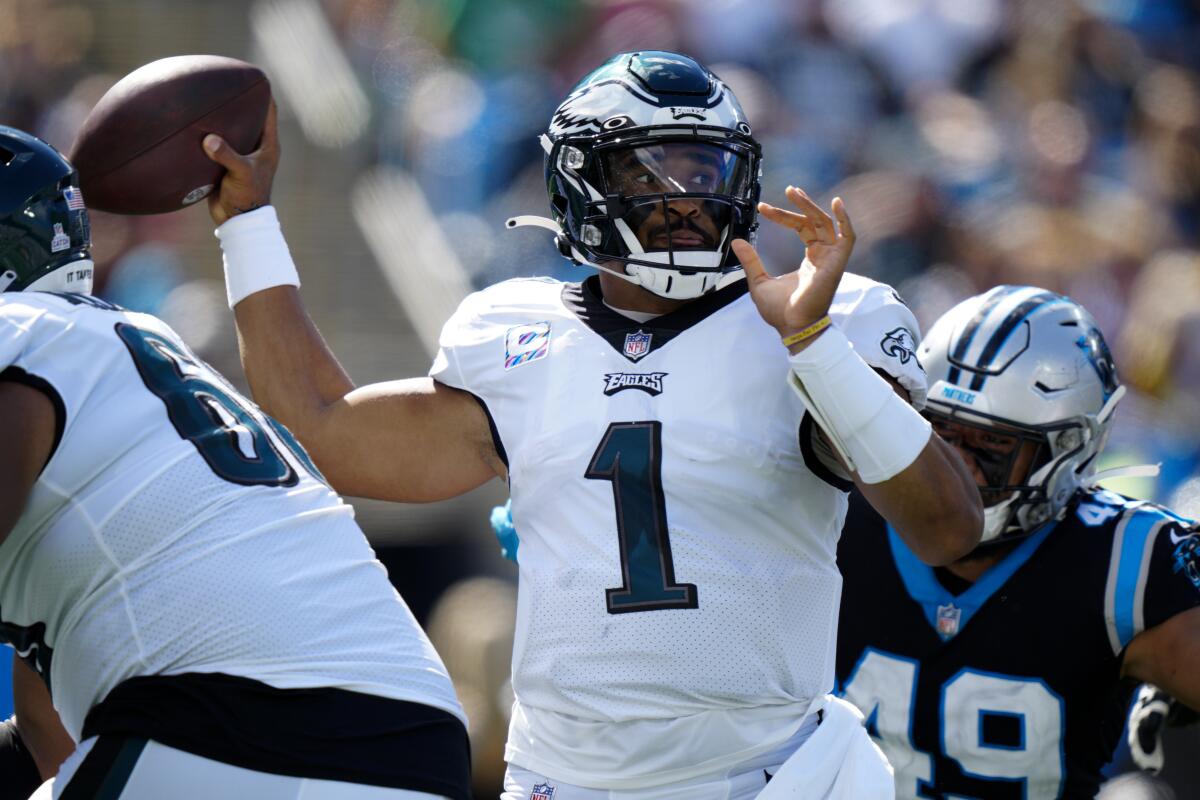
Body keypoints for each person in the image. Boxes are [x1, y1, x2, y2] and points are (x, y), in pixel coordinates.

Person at [199, 51, 983, 798]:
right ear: (579, 178)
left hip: (766, 775)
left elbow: (948, 528)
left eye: (704, 169)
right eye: (651, 169)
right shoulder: (514, 333)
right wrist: (247, 225)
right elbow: (323, 430)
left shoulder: (823, 318)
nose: (686, 199)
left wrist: (815, 345)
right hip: (562, 779)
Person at [0, 125, 471, 799]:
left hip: (234, 724)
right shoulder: (123, 352)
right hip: (415, 744)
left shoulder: (20, 334)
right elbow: (51, 739)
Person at [834, 285, 1200, 799]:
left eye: (992, 445)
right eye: (939, 433)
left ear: (1066, 451)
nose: (954, 466)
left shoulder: (1128, 565)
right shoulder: (840, 516)